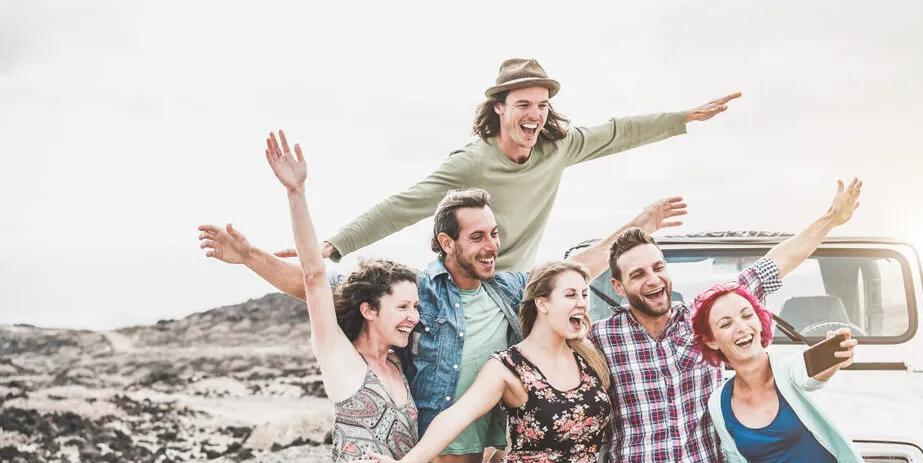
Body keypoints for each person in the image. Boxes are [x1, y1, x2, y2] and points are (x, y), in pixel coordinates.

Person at [198, 141, 687, 463]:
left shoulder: (509, 291)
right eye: (478, 237)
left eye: (494, 234)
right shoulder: (415, 298)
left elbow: (571, 274)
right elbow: (318, 289)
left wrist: (636, 228)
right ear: (446, 243)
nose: (492, 246)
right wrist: (251, 257)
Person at [589, 178, 864, 463]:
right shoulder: (600, 338)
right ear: (617, 286)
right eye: (637, 275)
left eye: (657, 267)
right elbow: (558, 291)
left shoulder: (705, 323)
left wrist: (831, 219)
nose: (652, 279)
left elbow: (772, 267)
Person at [297, 57, 738, 271]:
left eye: (542, 105)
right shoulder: (472, 162)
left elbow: (619, 131)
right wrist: (334, 245)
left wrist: (683, 118)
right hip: (464, 282)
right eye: (524, 104)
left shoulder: (557, 147)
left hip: (516, 284)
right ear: (499, 110)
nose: (535, 114)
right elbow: (404, 204)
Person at [345, 261, 613, 463]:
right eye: (570, 295)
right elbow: (456, 416)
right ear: (542, 303)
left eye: (584, 293)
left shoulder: (591, 358)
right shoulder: (508, 366)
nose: (581, 302)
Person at [262, 130, 419, 463]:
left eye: (417, 306)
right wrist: (297, 192)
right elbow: (314, 277)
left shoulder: (399, 368)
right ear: (369, 309)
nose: (414, 316)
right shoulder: (342, 360)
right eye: (403, 307)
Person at [692, 283, 874, 463]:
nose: (741, 327)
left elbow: (810, 373)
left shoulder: (790, 369)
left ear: (760, 321)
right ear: (713, 340)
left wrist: (834, 354)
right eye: (726, 323)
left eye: (746, 315)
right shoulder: (719, 402)